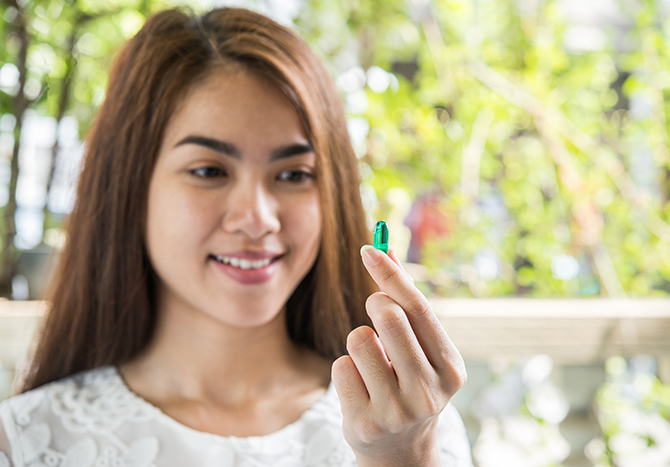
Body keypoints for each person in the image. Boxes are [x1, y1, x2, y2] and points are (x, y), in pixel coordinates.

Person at [0, 7, 472, 466]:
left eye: (293, 175)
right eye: (209, 170)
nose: (258, 218)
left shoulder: (413, 427)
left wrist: (400, 460)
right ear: (130, 186)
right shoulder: (26, 441)